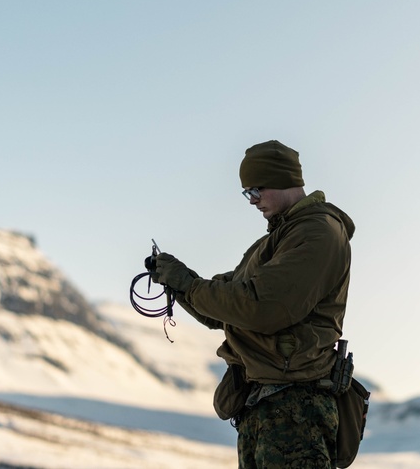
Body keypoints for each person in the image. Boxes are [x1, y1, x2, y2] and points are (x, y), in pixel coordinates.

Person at [152, 139, 356, 468]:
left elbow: (262, 309)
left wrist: (189, 285)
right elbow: (226, 310)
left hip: (294, 409)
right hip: (267, 405)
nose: (253, 201)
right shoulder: (276, 240)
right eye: (247, 193)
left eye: (256, 190)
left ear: (282, 180)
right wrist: (178, 283)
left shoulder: (318, 234)